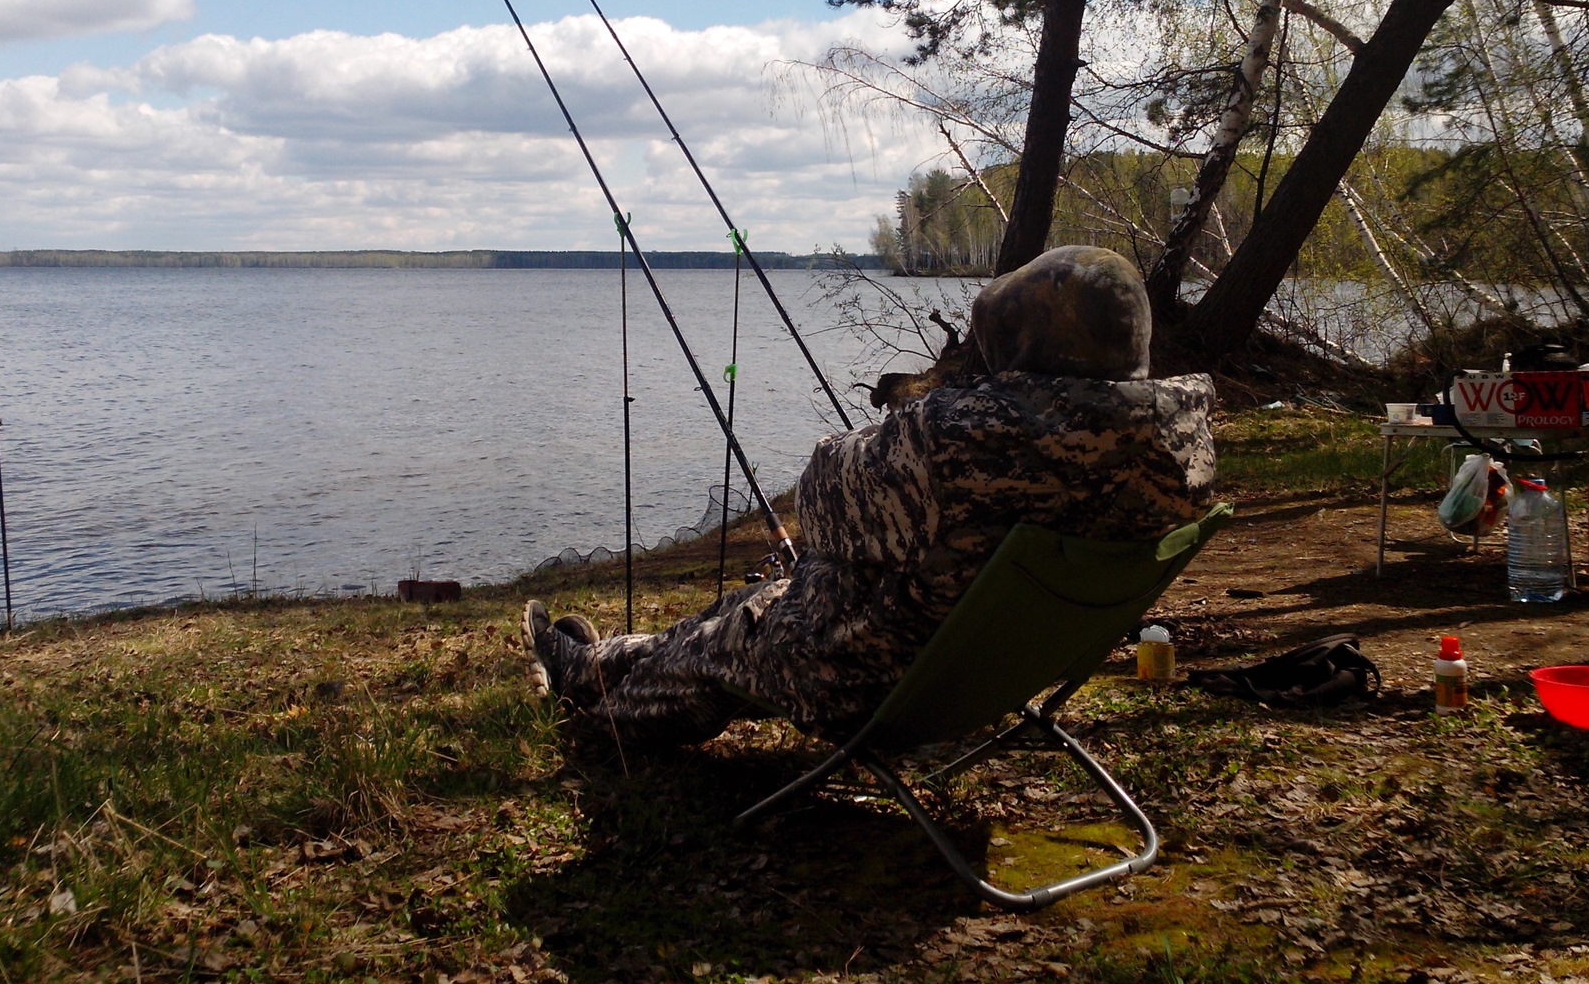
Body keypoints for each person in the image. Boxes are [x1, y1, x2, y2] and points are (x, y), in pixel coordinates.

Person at [521, 246, 1215, 751]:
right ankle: (593, 664)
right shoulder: (1184, 443)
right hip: (998, 667)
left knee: (726, 640)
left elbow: (821, 500)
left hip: (872, 676)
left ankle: (598, 721)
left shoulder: (957, 443)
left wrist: (920, 419)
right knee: (747, 604)